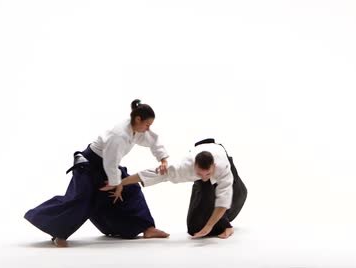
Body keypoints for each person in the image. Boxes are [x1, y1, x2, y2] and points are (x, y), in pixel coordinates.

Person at [24, 99, 170, 247]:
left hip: (107, 165)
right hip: (90, 164)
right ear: (138, 119)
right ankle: (59, 233)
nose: (148, 128)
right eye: (147, 125)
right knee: (82, 199)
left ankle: (147, 228)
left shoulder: (136, 128)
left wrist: (163, 159)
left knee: (132, 189)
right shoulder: (119, 135)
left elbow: (152, 139)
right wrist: (116, 183)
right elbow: (110, 162)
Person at [105, 138, 247, 239]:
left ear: (214, 167)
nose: (204, 177)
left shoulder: (223, 167)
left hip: (219, 150)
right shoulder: (183, 168)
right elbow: (151, 174)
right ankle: (219, 222)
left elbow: (224, 199)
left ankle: (226, 226)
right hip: (200, 151)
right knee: (195, 227)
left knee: (237, 195)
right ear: (194, 167)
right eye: (200, 173)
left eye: (208, 174)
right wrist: (121, 182)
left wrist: (210, 226)